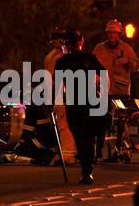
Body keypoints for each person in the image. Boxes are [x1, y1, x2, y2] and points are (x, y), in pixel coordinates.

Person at [55, 29, 108, 185]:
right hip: (88, 103)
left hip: (75, 105)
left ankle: (87, 170)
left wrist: (55, 104)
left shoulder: (62, 62)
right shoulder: (89, 59)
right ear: (80, 42)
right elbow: (104, 76)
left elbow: (58, 87)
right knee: (87, 138)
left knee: (81, 138)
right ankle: (87, 170)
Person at [44, 27, 77, 165]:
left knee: (62, 125)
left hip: (57, 95)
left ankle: (66, 154)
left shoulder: (50, 56)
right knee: (64, 125)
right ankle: (68, 155)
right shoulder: (61, 57)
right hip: (62, 95)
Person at [93, 19, 139, 96]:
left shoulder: (126, 49)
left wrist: (128, 61)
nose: (112, 35)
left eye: (115, 32)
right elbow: (91, 69)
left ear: (119, 34)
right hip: (103, 91)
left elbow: (136, 67)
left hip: (121, 92)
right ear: (106, 34)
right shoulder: (99, 49)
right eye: (109, 32)